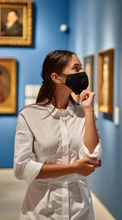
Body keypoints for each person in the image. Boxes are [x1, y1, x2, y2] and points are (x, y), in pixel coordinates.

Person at [13, 50, 102, 220]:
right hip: (42, 209)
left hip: (79, 208)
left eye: (81, 68)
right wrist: (74, 168)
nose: (81, 74)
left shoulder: (83, 113)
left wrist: (89, 109)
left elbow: (93, 155)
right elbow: (22, 168)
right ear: (56, 77)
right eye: (76, 69)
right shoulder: (29, 115)